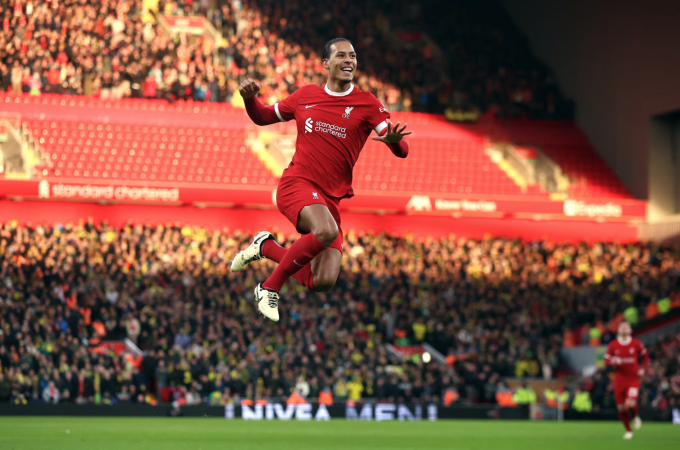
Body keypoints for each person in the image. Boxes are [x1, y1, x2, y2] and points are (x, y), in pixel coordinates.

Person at [231, 38, 411, 321]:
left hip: (330, 200)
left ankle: (266, 246)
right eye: (341, 55)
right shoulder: (306, 95)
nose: (349, 60)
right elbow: (263, 116)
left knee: (323, 281)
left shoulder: (367, 103)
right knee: (326, 231)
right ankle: (268, 287)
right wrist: (249, 99)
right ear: (326, 63)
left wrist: (394, 142)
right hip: (297, 184)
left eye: (352, 55)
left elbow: (402, 149)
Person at [604, 321, 649, 440]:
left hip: (633, 378)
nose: (624, 329)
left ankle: (635, 416)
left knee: (629, 403)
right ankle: (628, 431)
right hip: (619, 379)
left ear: (630, 330)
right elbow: (606, 360)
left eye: (626, 327)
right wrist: (611, 362)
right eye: (622, 327)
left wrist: (642, 369)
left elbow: (645, 356)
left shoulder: (636, 344)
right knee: (621, 408)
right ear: (618, 330)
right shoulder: (613, 345)